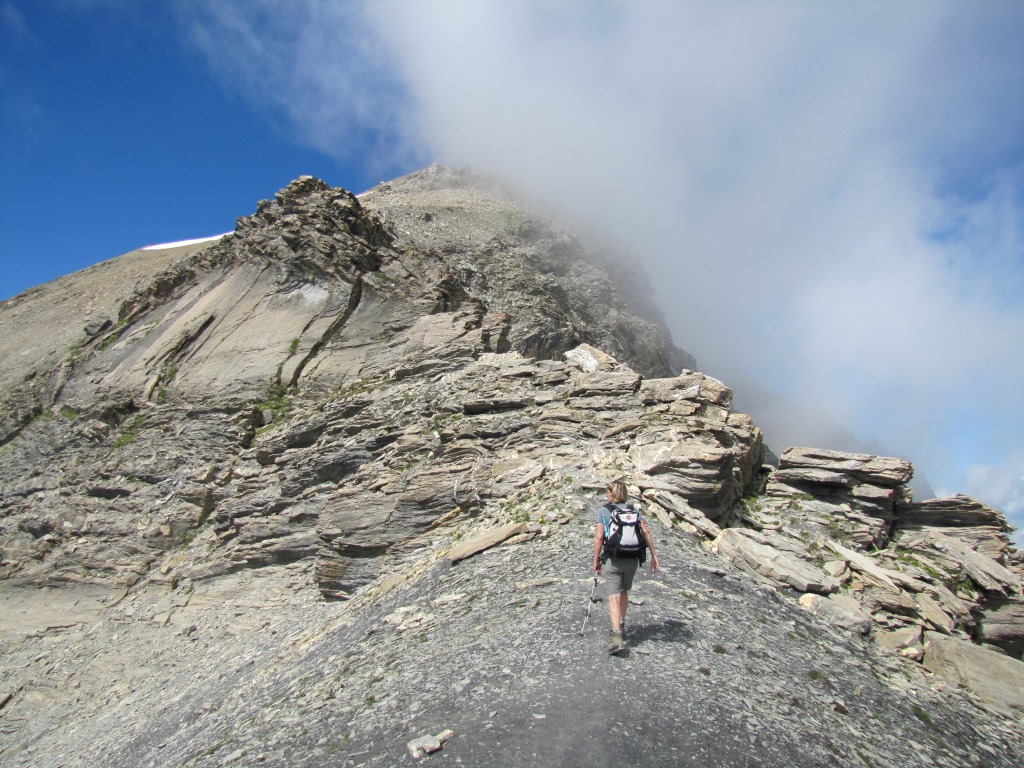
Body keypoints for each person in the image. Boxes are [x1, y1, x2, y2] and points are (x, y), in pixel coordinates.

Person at [593, 480, 659, 654]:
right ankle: (621, 625)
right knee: (624, 591)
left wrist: (595, 560)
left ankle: (617, 639)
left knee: (613, 596)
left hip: (613, 559)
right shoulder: (633, 510)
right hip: (632, 559)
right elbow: (645, 532)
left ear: (613, 494)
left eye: (608, 492)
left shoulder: (603, 511)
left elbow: (599, 538)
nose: (606, 495)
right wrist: (654, 555)